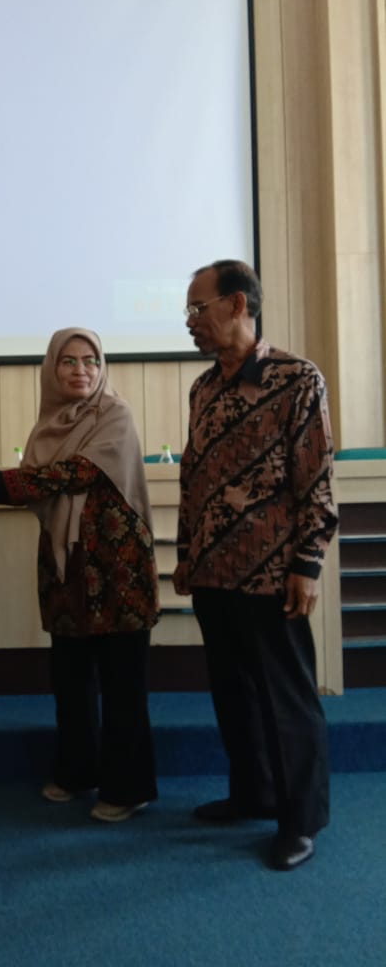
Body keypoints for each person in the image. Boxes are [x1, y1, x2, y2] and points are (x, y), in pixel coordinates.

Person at [172, 259, 339, 871]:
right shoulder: (203, 388)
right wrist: (186, 553)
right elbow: (195, 478)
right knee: (233, 695)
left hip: (271, 575)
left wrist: (308, 564)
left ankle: (300, 821)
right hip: (213, 573)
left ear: (238, 304)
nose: (190, 321)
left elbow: (316, 479)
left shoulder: (297, 379)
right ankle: (253, 793)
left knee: (285, 700)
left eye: (199, 308)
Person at [0, 328, 160, 821]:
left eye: (91, 360)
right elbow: (43, 484)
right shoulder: (47, 425)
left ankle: (128, 788)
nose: (81, 370)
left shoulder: (115, 414)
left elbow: (79, 472)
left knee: (122, 684)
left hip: (116, 567)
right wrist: (4, 483)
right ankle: (78, 773)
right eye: (69, 361)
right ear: (52, 369)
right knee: (71, 680)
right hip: (66, 567)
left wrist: (7, 483)